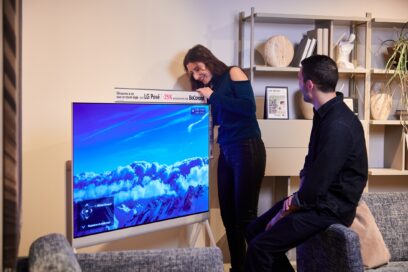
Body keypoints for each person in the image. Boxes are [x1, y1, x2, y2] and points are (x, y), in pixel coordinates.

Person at [244, 55, 368, 272]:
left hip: (330, 208)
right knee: (254, 230)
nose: (299, 85)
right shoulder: (324, 114)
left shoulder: (339, 124)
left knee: (260, 248)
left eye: (300, 79)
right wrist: (294, 199)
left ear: (309, 85)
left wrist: (287, 210)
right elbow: (311, 164)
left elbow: (318, 184)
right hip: (315, 199)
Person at [183, 44, 266, 272]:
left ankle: (267, 267)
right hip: (227, 150)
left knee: (246, 217)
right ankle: (238, 268)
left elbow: (248, 108)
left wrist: (214, 96)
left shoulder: (233, 73)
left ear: (207, 60)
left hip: (247, 147)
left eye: (198, 69)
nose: (197, 76)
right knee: (229, 218)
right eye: (193, 73)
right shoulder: (209, 88)